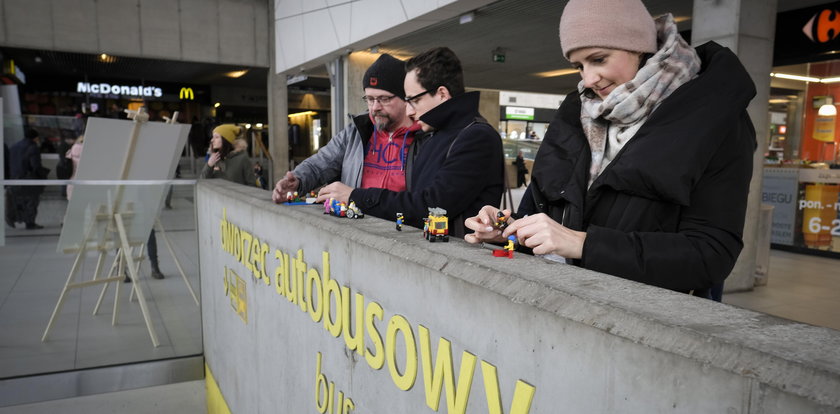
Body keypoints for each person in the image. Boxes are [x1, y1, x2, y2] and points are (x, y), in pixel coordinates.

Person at [465, 0, 756, 300]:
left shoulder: (715, 117)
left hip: (644, 321)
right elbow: (540, 213)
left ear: (638, 45)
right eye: (579, 66)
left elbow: (712, 253)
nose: (588, 79)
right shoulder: (574, 113)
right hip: (558, 309)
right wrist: (510, 230)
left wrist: (584, 244)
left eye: (599, 59)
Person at [317, 47, 505, 237]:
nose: (409, 111)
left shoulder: (477, 137)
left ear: (441, 94)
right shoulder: (436, 135)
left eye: (414, 100)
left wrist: (355, 196)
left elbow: (430, 206)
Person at [272, 54, 421, 203]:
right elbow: (319, 164)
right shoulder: (354, 134)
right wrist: (298, 181)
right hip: (355, 223)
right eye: (370, 99)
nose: (375, 107)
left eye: (384, 99)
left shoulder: (425, 137)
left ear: (405, 97)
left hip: (403, 225)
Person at [8, 127, 48, 229]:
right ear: (35, 138)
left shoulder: (13, 147)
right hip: (28, 179)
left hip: (15, 178)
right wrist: (42, 176)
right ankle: (30, 223)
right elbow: (35, 165)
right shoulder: (32, 147)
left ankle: (16, 218)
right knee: (31, 201)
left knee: (19, 201)